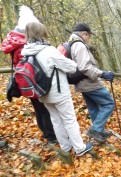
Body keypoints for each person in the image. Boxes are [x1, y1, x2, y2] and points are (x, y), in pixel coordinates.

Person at [21, 22, 93, 156]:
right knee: (69, 119)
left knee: (55, 119)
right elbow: (71, 67)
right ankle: (79, 148)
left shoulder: (26, 52)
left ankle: (65, 147)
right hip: (58, 91)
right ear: (41, 33)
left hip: (42, 92)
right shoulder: (48, 51)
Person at [1, 6, 57, 144]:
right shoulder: (25, 44)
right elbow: (33, 62)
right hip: (35, 78)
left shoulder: (14, 42)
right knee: (44, 107)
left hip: (25, 80)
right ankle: (51, 136)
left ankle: (47, 133)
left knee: (38, 107)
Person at [68, 23, 115, 143]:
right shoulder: (79, 45)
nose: (89, 38)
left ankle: (99, 132)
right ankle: (96, 129)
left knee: (93, 108)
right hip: (90, 83)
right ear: (84, 34)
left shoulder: (72, 44)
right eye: (88, 36)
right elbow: (85, 67)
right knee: (109, 104)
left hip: (82, 84)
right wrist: (103, 73)